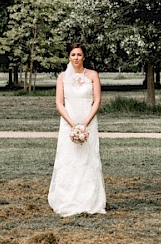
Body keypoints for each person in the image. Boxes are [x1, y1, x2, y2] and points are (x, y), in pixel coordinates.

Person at [48, 43, 107, 216]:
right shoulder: (62, 77)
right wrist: (73, 124)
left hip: (88, 122)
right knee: (69, 159)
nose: (76, 58)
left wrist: (85, 123)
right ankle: (67, 198)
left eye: (79, 55)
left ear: (84, 57)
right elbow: (59, 103)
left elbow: (97, 100)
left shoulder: (93, 75)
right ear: (69, 57)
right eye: (73, 54)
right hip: (69, 122)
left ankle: (90, 199)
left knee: (89, 159)